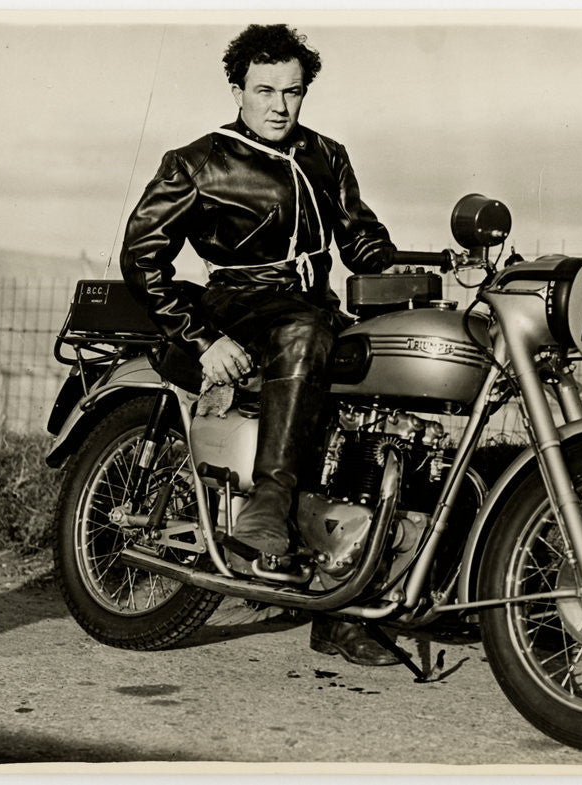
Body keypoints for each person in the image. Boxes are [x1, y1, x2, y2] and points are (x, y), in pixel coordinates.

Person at [120, 24, 399, 665]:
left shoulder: (327, 154)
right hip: (240, 304)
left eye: (293, 92)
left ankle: (340, 599)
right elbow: (142, 254)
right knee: (304, 333)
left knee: (385, 385)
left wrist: (418, 272)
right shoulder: (199, 161)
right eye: (265, 89)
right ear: (238, 89)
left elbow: (361, 237)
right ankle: (267, 505)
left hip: (315, 309)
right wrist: (201, 337)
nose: (279, 105)